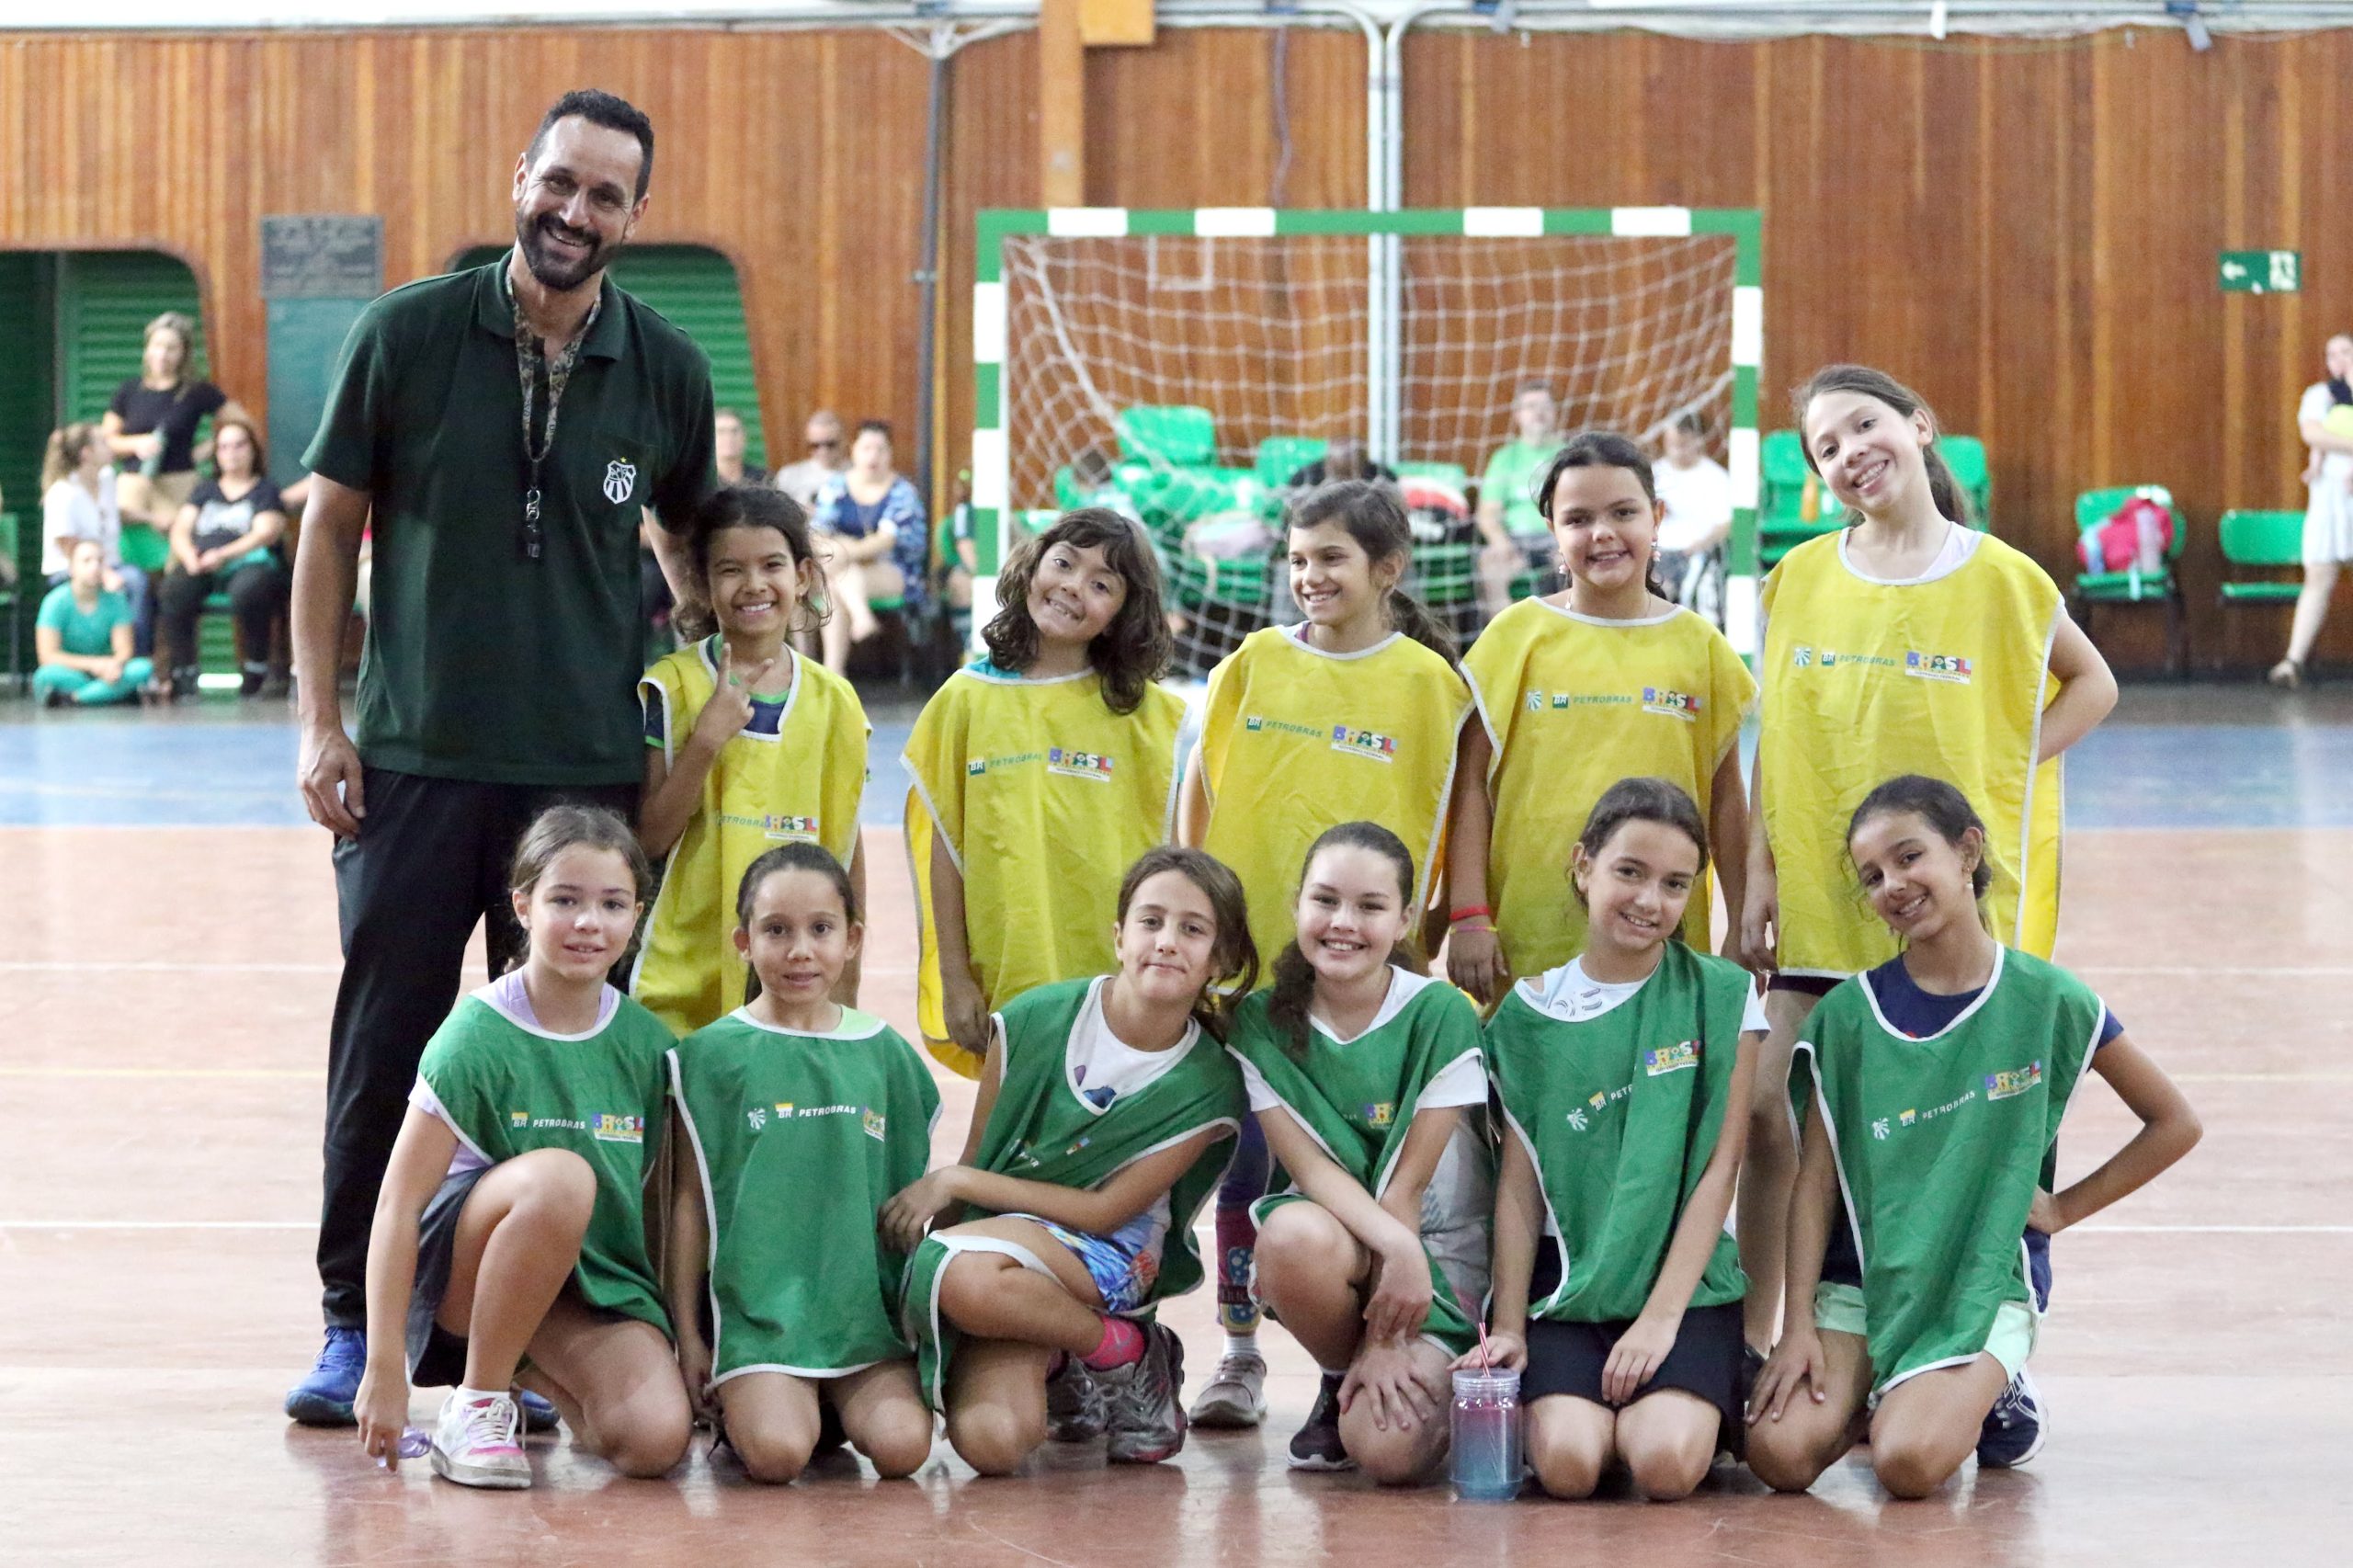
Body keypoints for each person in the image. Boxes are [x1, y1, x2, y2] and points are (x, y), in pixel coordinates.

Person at [286, 87, 718, 1427]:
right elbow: (326, 533)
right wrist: (319, 719)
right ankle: (360, 1326)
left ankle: (522, 1340)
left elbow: (699, 543)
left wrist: (733, 676)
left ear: (635, 218)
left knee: (564, 1069)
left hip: (582, 786)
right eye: (559, 183)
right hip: (416, 761)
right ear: (517, 175)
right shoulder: (406, 332)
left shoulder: (665, 368)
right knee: (391, 1048)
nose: (573, 213)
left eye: (604, 196)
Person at [1738, 364, 2116, 1367]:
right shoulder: (1800, 580)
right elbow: (1774, 737)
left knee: (1971, 1126)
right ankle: (1762, 1333)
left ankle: (1990, 1347)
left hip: (1953, 908)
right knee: (1769, 1100)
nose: (1849, 450)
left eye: (1863, 424)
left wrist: (1999, 771)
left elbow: (2094, 682)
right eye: (1826, 446)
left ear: (1916, 423)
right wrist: (1761, 874)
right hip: (1827, 895)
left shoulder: (2002, 576)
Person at [1746, 777, 2200, 1498]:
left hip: (1980, 1285)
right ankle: (1891, 1384)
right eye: (1873, 876)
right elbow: (1815, 1187)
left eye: (1909, 857)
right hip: (1865, 1285)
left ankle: (1994, 1387)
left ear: (1967, 853)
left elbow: (2176, 1123)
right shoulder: (1847, 1019)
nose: (1893, 885)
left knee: (1907, 1464)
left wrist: (2062, 1209)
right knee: (1777, 1453)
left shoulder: (2049, 999)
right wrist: (1795, 1325)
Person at [1176, 480, 1472, 1434]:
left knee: (1367, 1169)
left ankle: (1358, 1362)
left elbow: (1461, 804)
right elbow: (1197, 798)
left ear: (1387, 569)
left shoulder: (1432, 683)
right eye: (1297, 559)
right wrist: (1200, 928)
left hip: (1366, 970)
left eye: (1331, 558)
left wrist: (1457, 915)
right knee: (1246, 1170)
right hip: (1255, 967)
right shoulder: (1250, 665)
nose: (1309, 576)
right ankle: (1237, 1349)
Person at [353, 806, 692, 1490]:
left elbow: (661, 1202)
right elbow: (397, 1202)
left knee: (653, 1440)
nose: (587, 923)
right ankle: (478, 1399)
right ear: (523, 906)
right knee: (559, 1181)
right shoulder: (475, 1037)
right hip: (463, 1277)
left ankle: (533, 1371)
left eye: (612, 904)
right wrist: (382, 1360)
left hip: (583, 1282)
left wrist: (685, 1337)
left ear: (636, 916)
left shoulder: (649, 1045)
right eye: (564, 900)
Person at [884, 847, 1255, 1474]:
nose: (1167, 942)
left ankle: (1125, 1351)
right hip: (1010, 1251)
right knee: (993, 1441)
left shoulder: (1209, 1081)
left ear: (1218, 959)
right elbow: (985, 1156)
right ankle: (1065, 1358)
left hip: (1110, 1252)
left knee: (963, 1272)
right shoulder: (1035, 1022)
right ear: (1118, 935)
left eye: (1193, 929)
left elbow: (1105, 1209)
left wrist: (954, 1183)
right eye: (1151, 921)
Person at [1474, 779, 1761, 1501]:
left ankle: (1703, 1393)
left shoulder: (1722, 995)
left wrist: (1660, 1322)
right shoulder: (1525, 1018)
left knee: (1663, 1463)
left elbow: (1720, 1169)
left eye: (1674, 884)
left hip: (1685, 1294)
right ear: (1583, 868)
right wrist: (1508, 1325)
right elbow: (1518, 1188)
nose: (1649, 900)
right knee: (1569, 1466)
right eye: (1629, 872)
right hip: (1571, 1292)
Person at [1449, 431, 1754, 1011]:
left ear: (1657, 518)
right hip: (1530, 938)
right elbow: (1470, 789)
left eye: (1623, 513)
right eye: (1579, 518)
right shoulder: (1514, 637)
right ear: (1553, 533)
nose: (1603, 533)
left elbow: (1724, 801)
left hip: (1661, 938)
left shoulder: (1701, 648)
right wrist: (1468, 913)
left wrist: (1738, 923)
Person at [665, 844, 938, 1483]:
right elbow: (688, 1204)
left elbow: (908, 1199)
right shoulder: (709, 1058)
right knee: (777, 1455)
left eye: (821, 929)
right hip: (761, 1325)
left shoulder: (886, 1055)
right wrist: (690, 1337)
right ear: (743, 940)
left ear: (853, 939)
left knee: (904, 1449)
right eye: (776, 930)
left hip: (860, 1324)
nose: (800, 951)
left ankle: (829, 1403)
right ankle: (771, 1407)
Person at [1227, 823, 1492, 1479]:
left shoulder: (1440, 1013)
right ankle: (1341, 1372)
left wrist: (1396, 1319)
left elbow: (1407, 1187)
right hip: (1350, 1232)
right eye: (1326, 901)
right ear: (1297, 907)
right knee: (1289, 1237)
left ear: (1404, 920)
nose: (1344, 923)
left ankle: (1445, 1368)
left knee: (1389, 1455)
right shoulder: (1261, 1023)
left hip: (1440, 1242)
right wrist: (1378, 1318)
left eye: (1370, 907)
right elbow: (1311, 1169)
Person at [904, 508, 1186, 1077]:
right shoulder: (965, 699)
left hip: (1117, 983)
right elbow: (946, 852)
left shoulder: (1153, 720)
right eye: (1063, 563)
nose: (1071, 587)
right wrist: (955, 978)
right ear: (1033, 566)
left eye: (1101, 584)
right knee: (1013, 1149)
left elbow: (1179, 863)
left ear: (1121, 615)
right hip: (1008, 973)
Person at [634, 486, 870, 1038]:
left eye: (772, 565)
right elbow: (648, 838)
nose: (754, 585)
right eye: (731, 569)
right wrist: (706, 741)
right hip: (680, 972)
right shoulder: (673, 686)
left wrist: (847, 984)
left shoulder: (836, 703)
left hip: (793, 973)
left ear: (804, 576)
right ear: (702, 582)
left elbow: (847, 848)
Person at [153, 416, 289, 701]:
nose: (232, 452)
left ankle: (255, 669)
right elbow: (181, 528)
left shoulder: (265, 490)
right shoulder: (205, 489)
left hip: (249, 561)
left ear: (253, 450)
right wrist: (189, 556)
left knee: (250, 591)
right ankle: (185, 672)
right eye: (224, 446)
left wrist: (223, 555)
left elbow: (265, 533)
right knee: (174, 590)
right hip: (202, 560)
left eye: (239, 445)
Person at [102, 310, 242, 524]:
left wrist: (209, 449)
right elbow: (107, 441)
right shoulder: (128, 390)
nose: (162, 354)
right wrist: (138, 443)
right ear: (147, 349)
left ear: (183, 353)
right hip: (133, 484)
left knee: (177, 547)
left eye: (171, 348)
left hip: (179, 484)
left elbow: (242, 423)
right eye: (157, 346)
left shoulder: (197, 391)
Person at [812, 420, 928, 672]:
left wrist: (840, 551)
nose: (873, 455)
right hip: (842, 571)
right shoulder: (836, 487)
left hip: (895, 570)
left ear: (890, 454)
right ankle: (857, 625)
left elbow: (884, 541)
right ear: (853, 450)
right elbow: (817, 534)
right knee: (834, 584)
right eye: (867, 448)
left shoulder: (903, 492)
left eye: (881, 449)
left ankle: (833, 674)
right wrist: (839, 552)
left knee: (835, 574)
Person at [2270, 332, 2353, 687]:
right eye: (2331, 354)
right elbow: (2314, 435)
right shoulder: (2319, 396)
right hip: (2331, 495)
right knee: (2319, 575)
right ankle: (2293, 662)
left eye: (2346, 352)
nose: (2339, 359)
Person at [39, 421, 149, 649]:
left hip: (109, 563)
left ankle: (137, 661)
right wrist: (104, 574)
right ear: (86, 453)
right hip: (69, 568)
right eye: (102, 442)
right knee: (133, 582)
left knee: (148, 583)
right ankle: (133, 653)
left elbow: (110, 513)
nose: (109, 446)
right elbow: (68, 544)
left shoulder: (106, 478)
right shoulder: (62, 493)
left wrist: (152, 518)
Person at [1475, 379, 1564, 619]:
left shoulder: (1568, 455)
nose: (1539, 412)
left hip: (1556, 538)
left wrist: (1566, 541)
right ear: (1518, 415)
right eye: (1531, 406)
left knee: (1575, 566)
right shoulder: (1504, 458)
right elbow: (1487, 514)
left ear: (1555, 413)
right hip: (1517, 542)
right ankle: (1505, 642)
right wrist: (1500, 541)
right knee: (1490, 566)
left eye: (1545, 406)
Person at [34, 537, 153, 708]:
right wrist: (93, 665)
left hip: (110, 672)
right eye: (86, 561)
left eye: (100, 561)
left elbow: (124, 649)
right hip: (72, 672)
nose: (95, 567)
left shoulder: (116, 601)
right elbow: (48, 656)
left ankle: (76, 698)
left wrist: (113, 665)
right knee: (45, 675)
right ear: (72, 567)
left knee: (143, 668)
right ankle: (107, 694)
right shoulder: (54, 602)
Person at [1651, 414, 1733, 625]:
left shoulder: (1715, 478)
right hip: (1655, 552)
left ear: (1698, 440)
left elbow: (1725, 524)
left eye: (1682, 445)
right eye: (1671, 445)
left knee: (1686, 587)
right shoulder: (1654, 474)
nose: (1676, 451)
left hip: (1694, 554)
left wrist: (1698, 546)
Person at [772, 409, 850, 511]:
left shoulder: (859, 474)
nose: (823, 451)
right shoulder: (789, 476)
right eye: (815, 445)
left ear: (844, 441)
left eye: (830, 444)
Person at [1285, 437, 1398, 491]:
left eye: (1352, 473)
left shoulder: (1382, 477)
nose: (1345, 482)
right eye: (1342, 475)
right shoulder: (1304, 479)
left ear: (1364, 464)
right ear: (1328, 464)